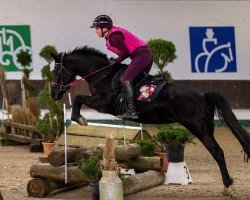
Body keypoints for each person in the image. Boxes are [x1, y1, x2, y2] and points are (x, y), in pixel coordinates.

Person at [90, 15, 153, 119]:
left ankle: (132, 111)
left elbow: (126, 52)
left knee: (125, 79)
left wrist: (116, 62)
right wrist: (116, 60)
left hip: (141, 55)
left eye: (97, 28)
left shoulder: (114, 36)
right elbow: (125, 52)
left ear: (104, 28)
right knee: (138, 80)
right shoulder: (112, 35)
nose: (96, 31)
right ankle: (142, 106)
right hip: (145, 55)